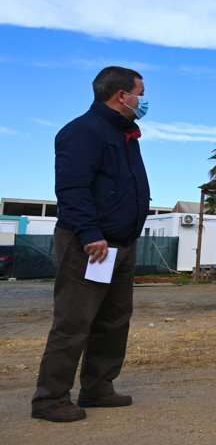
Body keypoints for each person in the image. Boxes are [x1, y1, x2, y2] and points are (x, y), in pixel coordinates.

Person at [31, 66, 151, 422]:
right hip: (92, 245)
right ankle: (50, 399)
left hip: (119, 244)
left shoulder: (124, 133)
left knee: (113, 320)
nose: (143, 101)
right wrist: (90, 234)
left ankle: (98, 386)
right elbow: (72, 189)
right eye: (140, 93)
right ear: (121, 96)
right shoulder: (83, 132)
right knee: (74, 320)